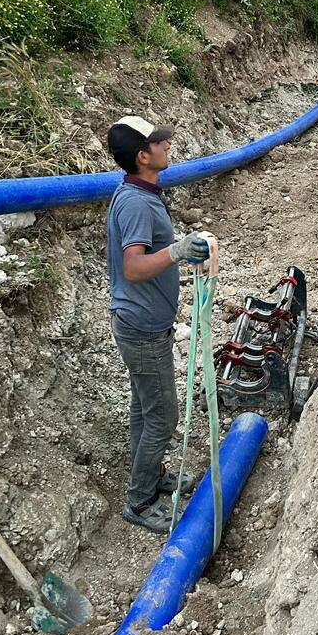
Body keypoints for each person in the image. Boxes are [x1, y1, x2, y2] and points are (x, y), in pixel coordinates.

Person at [106, 115, 211, 534]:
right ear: (142, 156)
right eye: (159, 144)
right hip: (142, 329)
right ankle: (140, 499)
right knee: (163, 416)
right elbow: (132, 267)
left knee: (143, 408)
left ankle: (152, 475)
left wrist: (174, 248)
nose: (168, 147)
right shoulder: (134, 203)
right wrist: (177, 252)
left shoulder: (142, 192)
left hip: (141, 323)